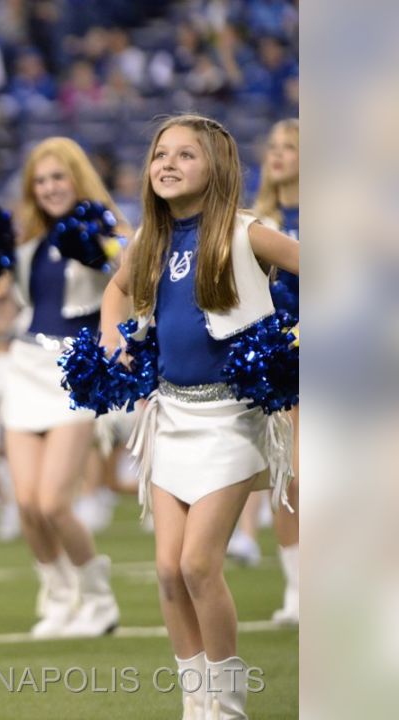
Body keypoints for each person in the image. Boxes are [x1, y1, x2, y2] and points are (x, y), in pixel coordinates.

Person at [99, 114, 299, 719]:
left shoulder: (247, 232)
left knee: (197, 563)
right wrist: (114, 344)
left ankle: (230, 706)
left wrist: (295, 340)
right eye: (161, 153)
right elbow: (115, 292)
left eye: (186, 155)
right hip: (171, 416)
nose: (168, 163)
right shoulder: (151, 241)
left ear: (217, 168)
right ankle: (198, 703)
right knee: (166, 571)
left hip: (234, 419)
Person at [0, 137, 132, 639]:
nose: (49, 188)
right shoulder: (27, 241)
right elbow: (0, 318)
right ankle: (61, 596)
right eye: (40, 181)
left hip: (75, 372)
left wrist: (104, 246)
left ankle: (99, 596)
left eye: (59, 178)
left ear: (78, 178)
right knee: (24, 503)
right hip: (25, 365)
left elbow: (136, 278)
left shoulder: (106, 227)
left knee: (52, 503)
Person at [252, 118, 300, 625]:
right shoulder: (256, 219)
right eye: (274, 146)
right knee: (287, 477)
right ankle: (297, 589)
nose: (279, 154)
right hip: (279, 359)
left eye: (290, 146)